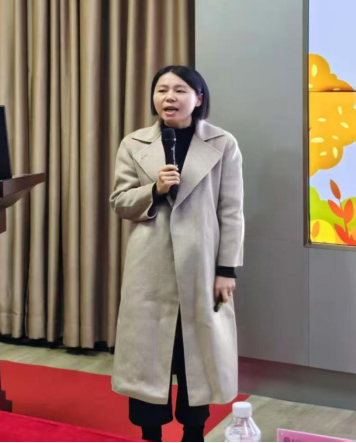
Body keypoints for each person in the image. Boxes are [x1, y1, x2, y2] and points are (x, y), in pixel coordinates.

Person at [110, 65, 245, 443]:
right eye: (162, 90)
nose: (169, 97)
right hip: (149, 265)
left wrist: (226, 270)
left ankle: (194, 432)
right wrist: (154, 189)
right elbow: (120, 202)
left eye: (180, 90)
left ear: (198, 98)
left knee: (195, 356)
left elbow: (232, 211)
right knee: (148, 355)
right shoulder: (134, 143)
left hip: (202, 266)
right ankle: (149, 434)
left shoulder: (222, 143)